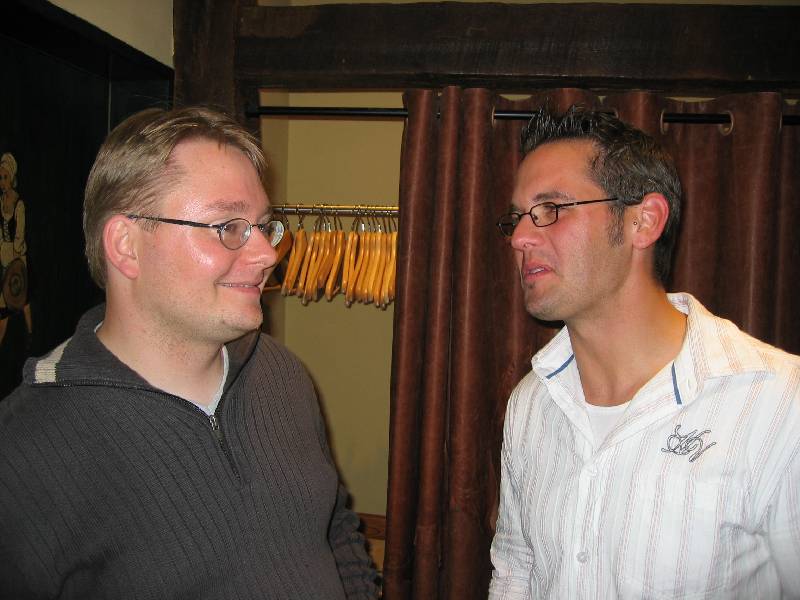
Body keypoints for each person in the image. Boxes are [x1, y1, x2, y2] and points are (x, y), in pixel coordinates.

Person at [0, 106, 378, 599]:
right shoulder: (24, 451)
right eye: (227, 227)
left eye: (264, 226)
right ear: (126, 245)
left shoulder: (281, 373)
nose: (267, 254)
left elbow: (335, 527)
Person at [488, 105, 800, 599]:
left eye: (551, 210)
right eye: (518, 218)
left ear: (644, 221)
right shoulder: (531, 404)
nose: (521, 238)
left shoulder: (778, 404)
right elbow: (515, 574)